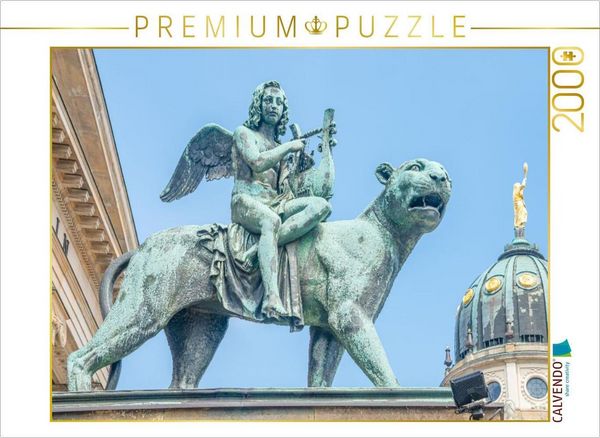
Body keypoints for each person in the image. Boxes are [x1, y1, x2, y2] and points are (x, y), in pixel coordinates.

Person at [231, 81, 331, 319]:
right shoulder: (244, 133)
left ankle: (257, 250)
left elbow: (289, 187)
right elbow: (257, 162)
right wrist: (288, 147)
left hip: (276, 202)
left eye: (279, 102)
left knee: (321, 206)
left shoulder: (279, 146)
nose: (273, 106)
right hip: (246, 200)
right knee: (271, 222)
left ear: (283, 110)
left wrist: (324, 148)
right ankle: (272, 298)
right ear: (259, 104)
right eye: (268, 100)